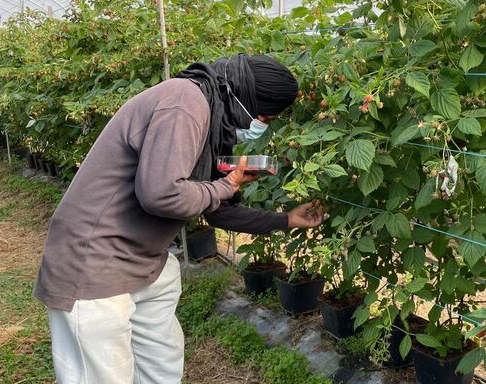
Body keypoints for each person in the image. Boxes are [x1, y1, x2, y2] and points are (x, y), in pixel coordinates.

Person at [33, 54, 324, 383]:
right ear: (246, 98)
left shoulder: (215, 119)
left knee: (161, 368)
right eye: (264, 117)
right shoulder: (185, 102)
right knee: (100, 375)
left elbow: (216, 209)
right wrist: (227, 184)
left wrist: (285, 220)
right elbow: (161, 194)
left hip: (145, 263)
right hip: (94, 265)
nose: (259, 126)